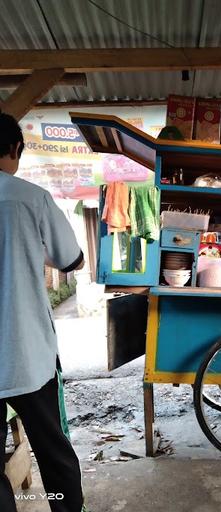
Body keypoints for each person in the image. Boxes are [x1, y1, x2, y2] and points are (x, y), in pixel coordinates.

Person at [0, 112, 86, 512]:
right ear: (14, 150)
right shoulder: (30, 198)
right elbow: (72, 258)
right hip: (26, 355)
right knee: (54, 454)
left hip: (25, 356)